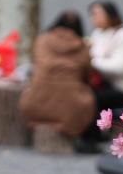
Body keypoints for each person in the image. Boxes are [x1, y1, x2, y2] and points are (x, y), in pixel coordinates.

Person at [19, 11, 97, 148]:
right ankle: (90, 141)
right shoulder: (82, 47)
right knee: (93, 97)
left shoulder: (41, 40)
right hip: (72, 110)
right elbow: (87, 76)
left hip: (34, 104)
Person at [88, 0, 123, 118]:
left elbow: (119, 68)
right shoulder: (98, 33)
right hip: (105, 83)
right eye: (92, 14)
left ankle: (95, 134)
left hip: (122, 89)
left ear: (110, 15)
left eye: (97, 14)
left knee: (87, 97)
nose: (93, 18)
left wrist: (91, 61)